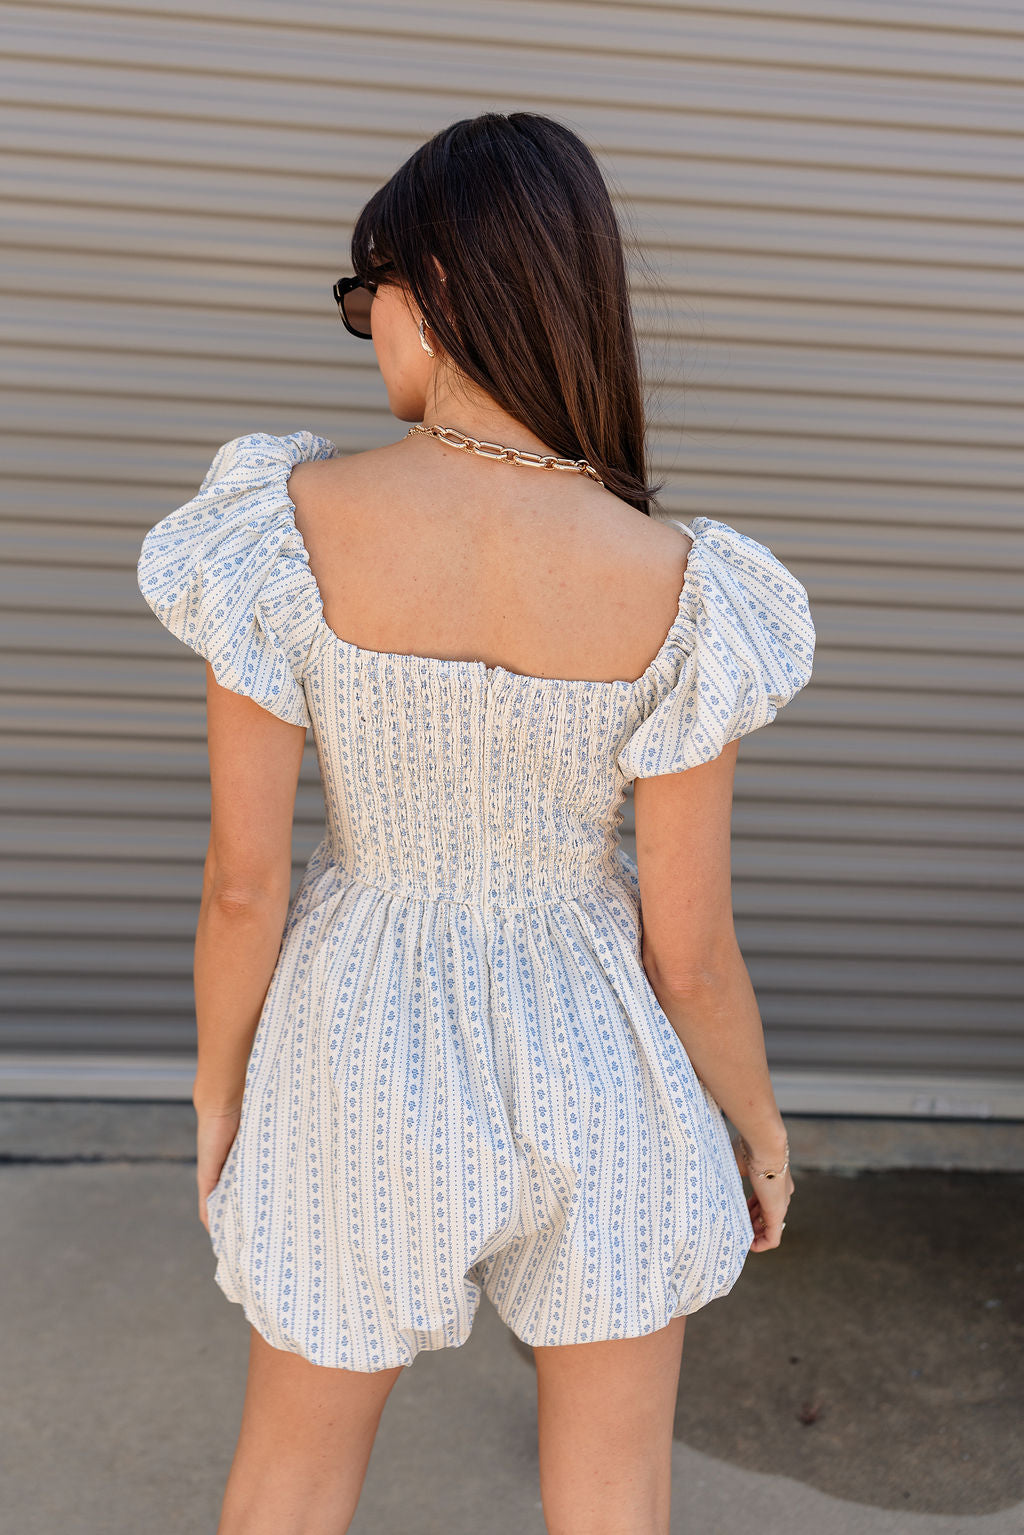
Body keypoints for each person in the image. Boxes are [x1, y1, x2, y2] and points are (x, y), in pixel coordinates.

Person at [137, 111, 814, 1535]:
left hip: (358, 1047)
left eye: (359, 294)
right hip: (599, 1050)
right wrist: (755, 1128)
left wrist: (219, 1097)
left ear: (432, 284)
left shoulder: (285, 525)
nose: (359, 328)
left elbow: (243, 886)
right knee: (615, 1497)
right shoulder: (687, 585)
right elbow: (689, 947)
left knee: (293, 1482)